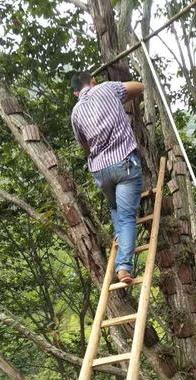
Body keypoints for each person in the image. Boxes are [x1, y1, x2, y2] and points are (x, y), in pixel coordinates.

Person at [70, 71, 145, 285]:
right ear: (92, 81)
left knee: (116, 210)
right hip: (124, 163)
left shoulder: (76, 113)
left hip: (101, 171)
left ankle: (121, 244)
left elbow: (84, 144)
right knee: (128, 217)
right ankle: (124, 267)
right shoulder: (106, 88)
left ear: (76, 92)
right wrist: (118, 97)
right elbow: (139, 86)